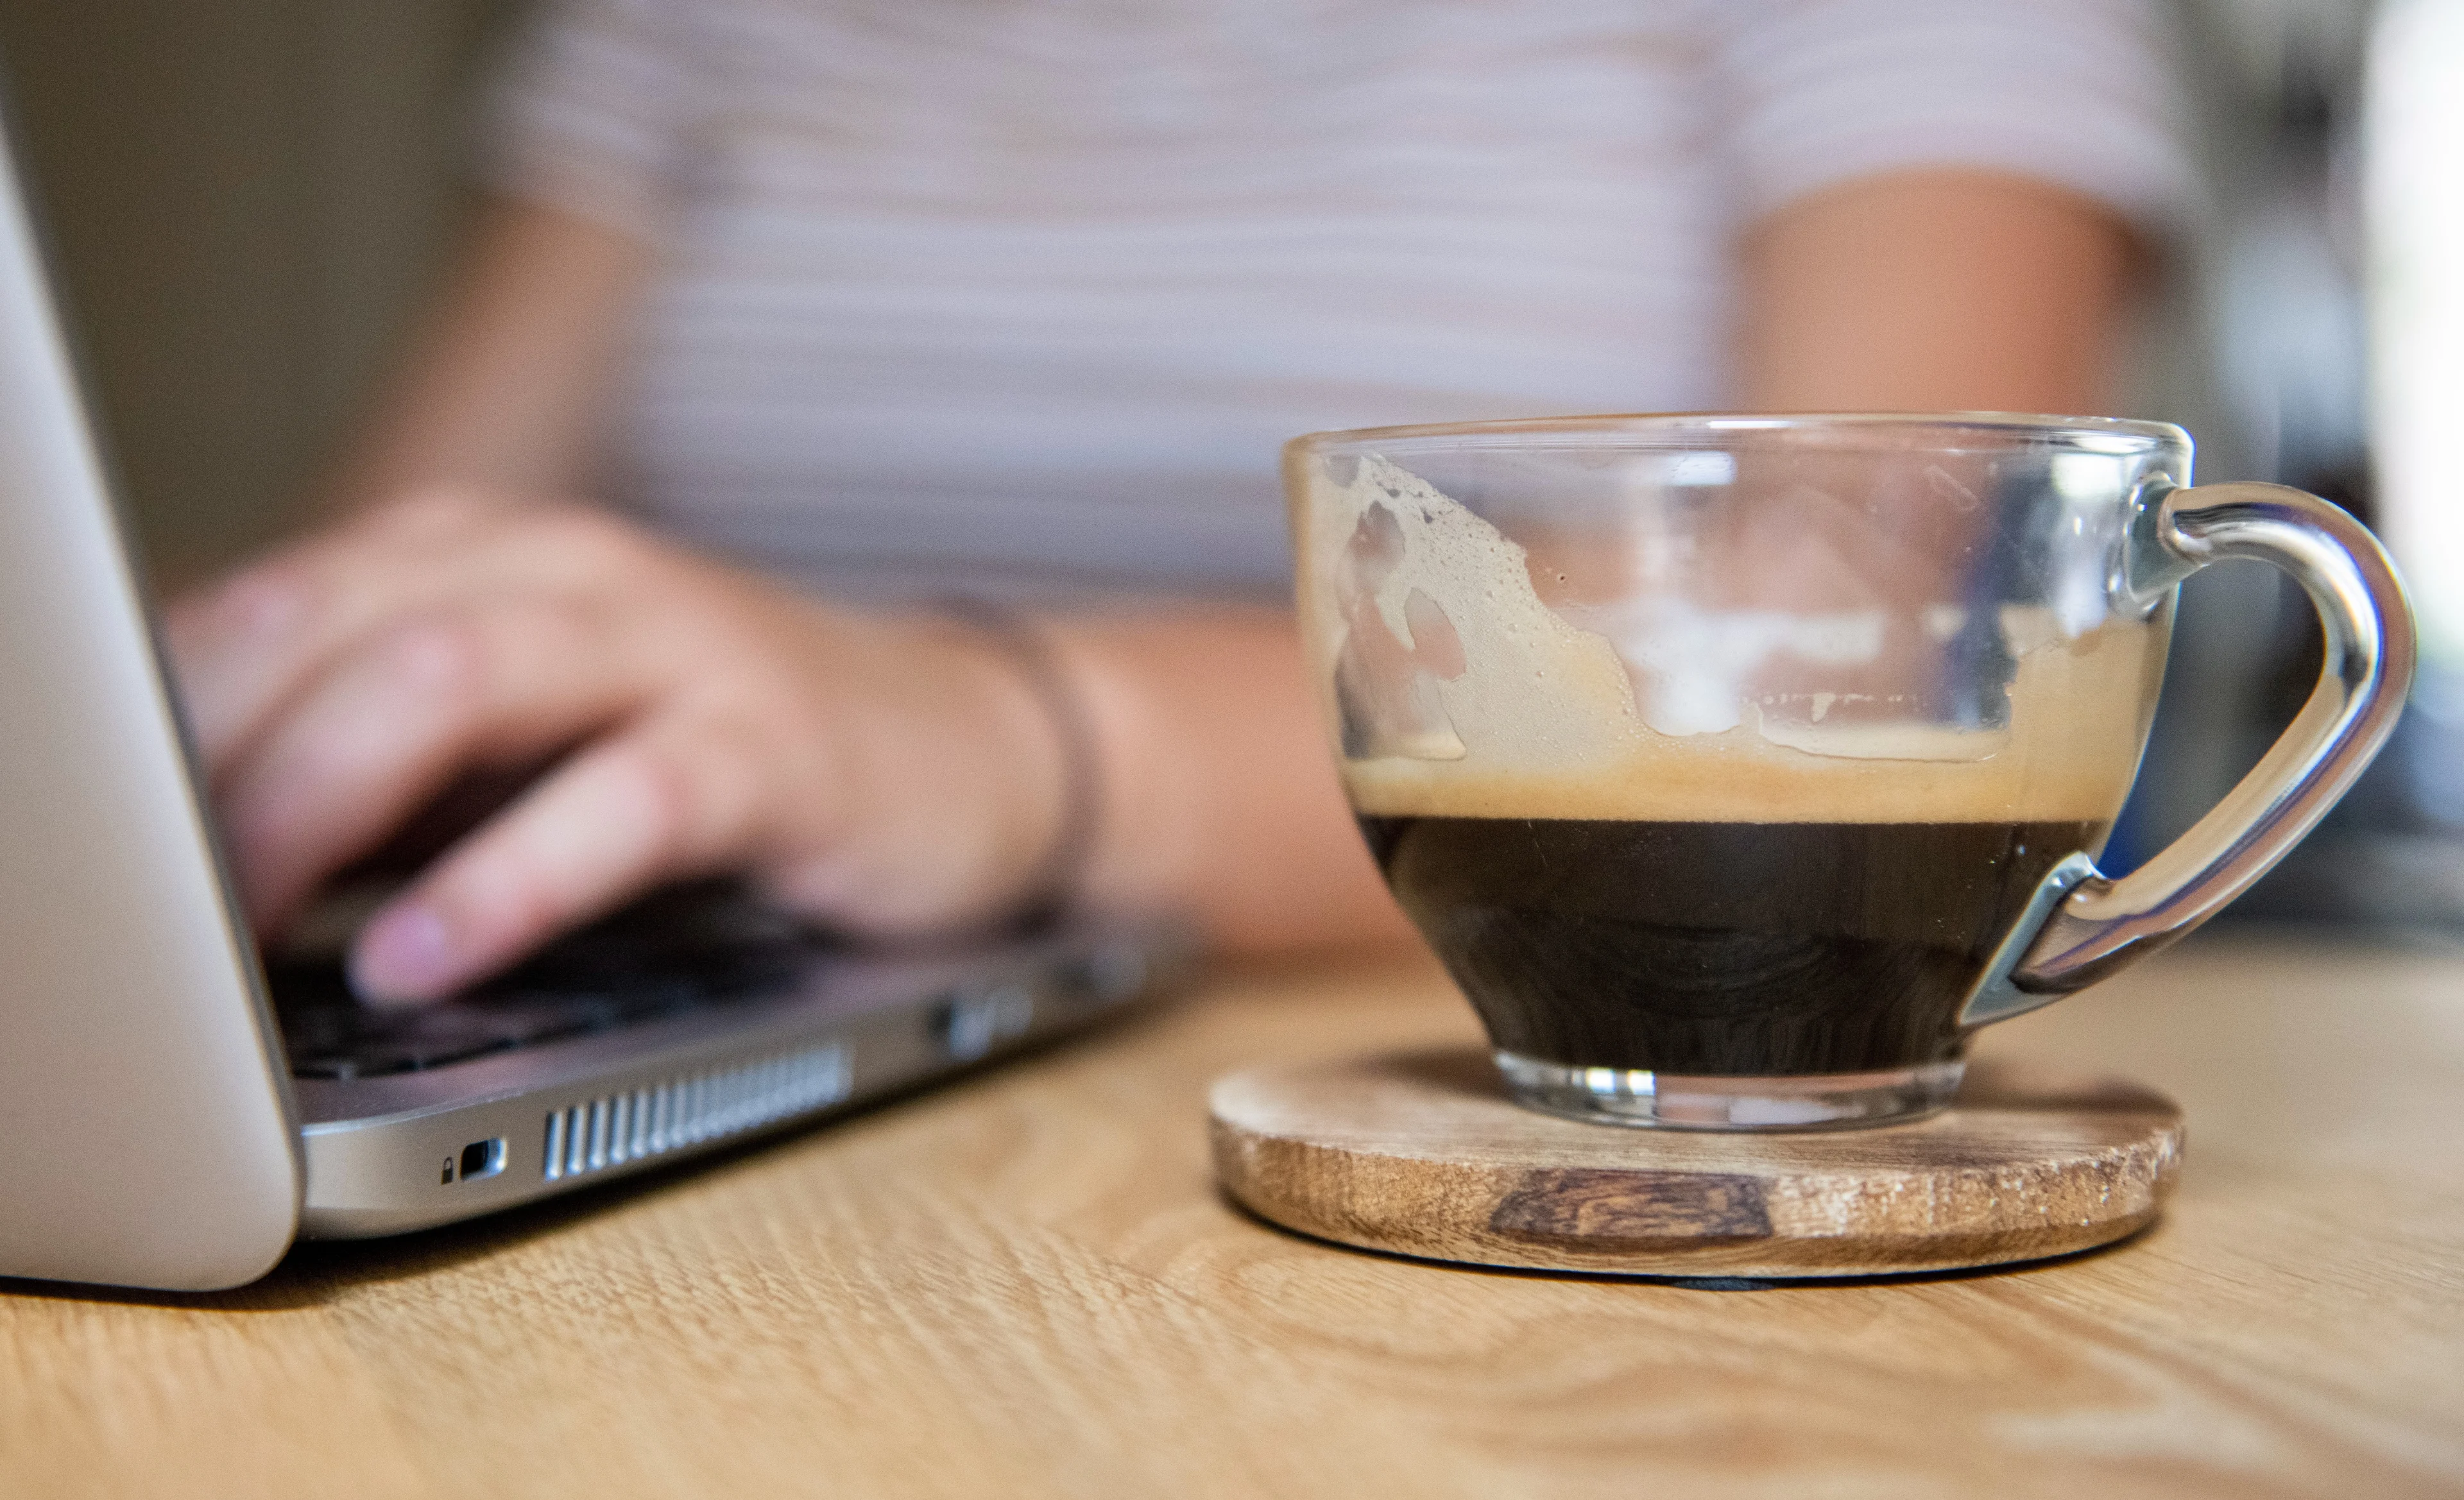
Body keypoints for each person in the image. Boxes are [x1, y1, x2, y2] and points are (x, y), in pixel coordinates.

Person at [164, 0, 2192, 1004]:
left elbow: (1890, 630)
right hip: (778, 1013)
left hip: (1471, 1052)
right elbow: (405, 580)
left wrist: (1023, 737)